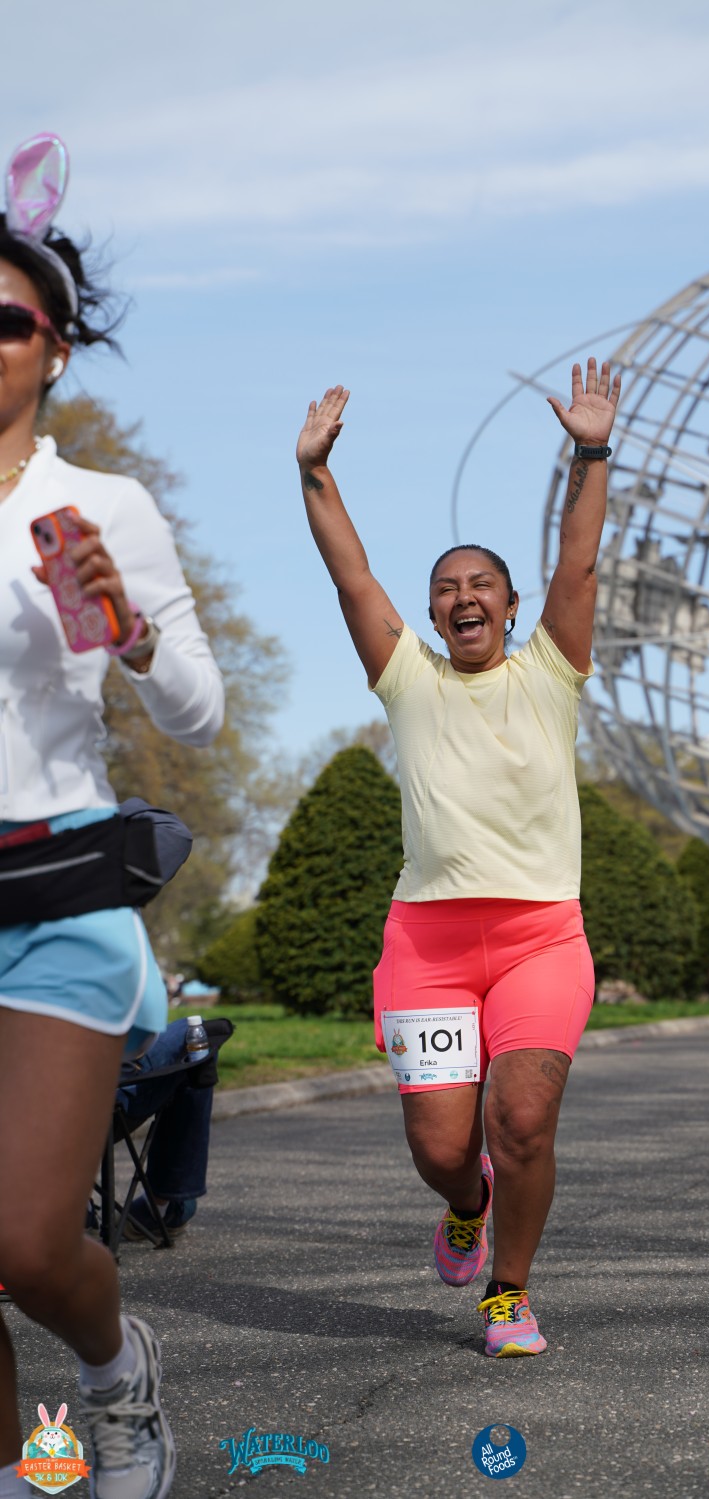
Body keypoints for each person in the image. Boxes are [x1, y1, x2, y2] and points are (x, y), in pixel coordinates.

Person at [296, 358, 620, 1357]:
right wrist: (315, 471)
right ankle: (467, 1204)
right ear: (434, 613)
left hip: (540, 939)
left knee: (522, 1118)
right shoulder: (410, 679)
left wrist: (592, 452)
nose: (464, 597)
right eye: (447, 589)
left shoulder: (552, 670)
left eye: (482, 585)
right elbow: (352, 576)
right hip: (428, 947)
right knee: (443, 1146)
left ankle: (507, 1293)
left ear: (512, 606)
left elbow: (577, 564)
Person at [0, 135, 224, 1499]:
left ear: (56, 350)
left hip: (58, 896)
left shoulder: (99, 507)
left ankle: (114, 1372)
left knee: (27, 1239)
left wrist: (126, 626)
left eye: (4, 320)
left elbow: (197, 710)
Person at [116, 1017, 231, 1240]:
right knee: (195, 1036)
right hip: (106, 1104)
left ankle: (80, 1210)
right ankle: (163, 1205)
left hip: (53, 1118)